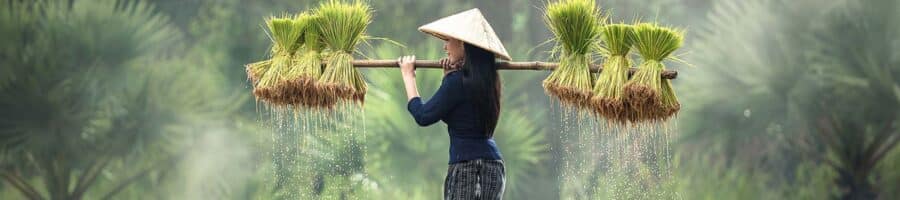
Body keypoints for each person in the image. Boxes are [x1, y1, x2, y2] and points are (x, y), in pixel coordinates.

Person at [397, 8, 513, 200]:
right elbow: (459, 116)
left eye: (447, 41)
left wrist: (408, 76)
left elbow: (423, 115)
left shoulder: (457, 83)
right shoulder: (490, 81)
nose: (445, 47)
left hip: (468, 167)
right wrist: (448, 78)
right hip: (493, 165)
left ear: (463, 44)